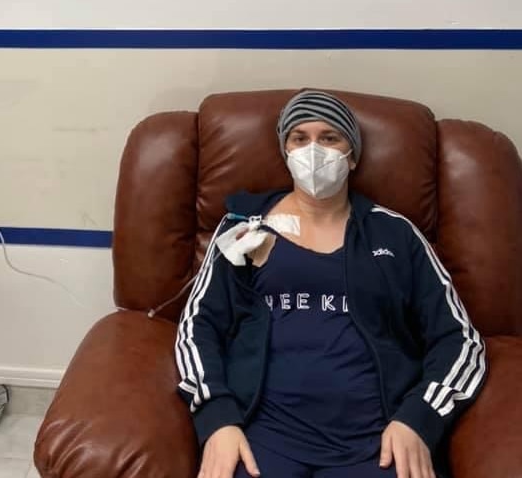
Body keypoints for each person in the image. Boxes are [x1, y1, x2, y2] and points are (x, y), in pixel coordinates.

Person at [174, 90, 486, 478]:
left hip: (377, 443)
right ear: (285, 152)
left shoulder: (395, 234)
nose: (314, 150)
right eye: (299, 138)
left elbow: (460, 339)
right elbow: (197, 326)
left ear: (351, 155)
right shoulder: (243, 227)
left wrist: (419, 418)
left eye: (330, 138)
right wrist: (218, 417)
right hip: (262, 438)